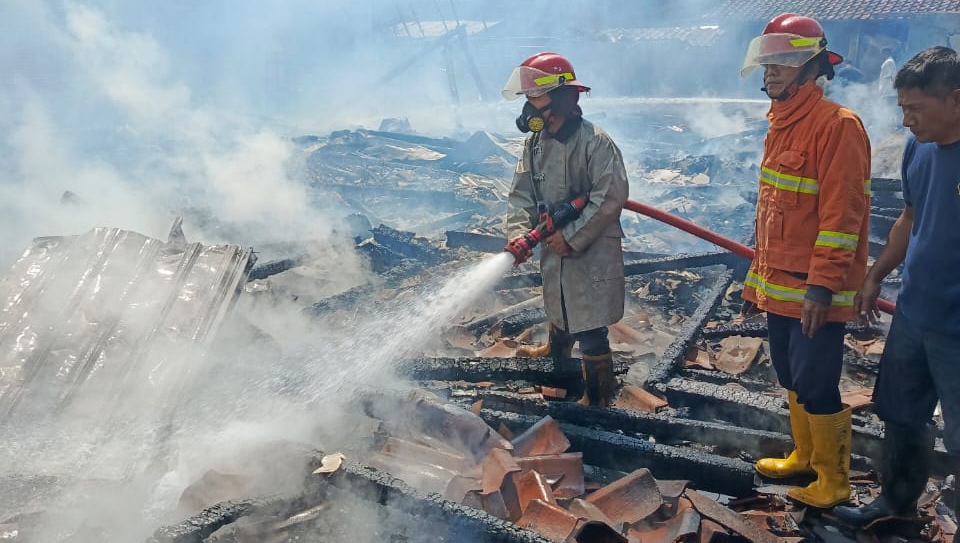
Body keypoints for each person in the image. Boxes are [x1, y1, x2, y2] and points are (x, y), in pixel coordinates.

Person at [739, 13, 872, 508]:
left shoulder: (837, 127)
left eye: (782, 63)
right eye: (767, 63)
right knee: (790, 375)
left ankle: (834, 482)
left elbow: (844, 217)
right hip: (781, 286)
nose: (770, 73)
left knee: (817, 383)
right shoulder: (782, 124)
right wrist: (758, 285)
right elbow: (774, 216)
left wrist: (822, 286)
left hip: (815, 289)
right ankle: (803, 456)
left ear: (811, 67)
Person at [834, 46, 960, 527]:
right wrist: (875, 274)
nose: (907, 121)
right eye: (902, 109)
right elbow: (910, 216)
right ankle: (897, 507)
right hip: (914, 313)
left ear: (955, 99)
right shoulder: (919, 148)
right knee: (902, 414)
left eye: (917, 109)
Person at [501, 52, 629, 407]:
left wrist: (571, 238)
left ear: (560, 98)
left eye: (535, 99)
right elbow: (521, 193)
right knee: (558, 303)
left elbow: (611, 196)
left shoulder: (596, 142)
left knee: (589, 323)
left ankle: (599, 397)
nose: (529, 109)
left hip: (591, 248)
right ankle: (556, 356)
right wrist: (518, 233)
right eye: (526, 99)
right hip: (554, 248)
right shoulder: (535, 144)